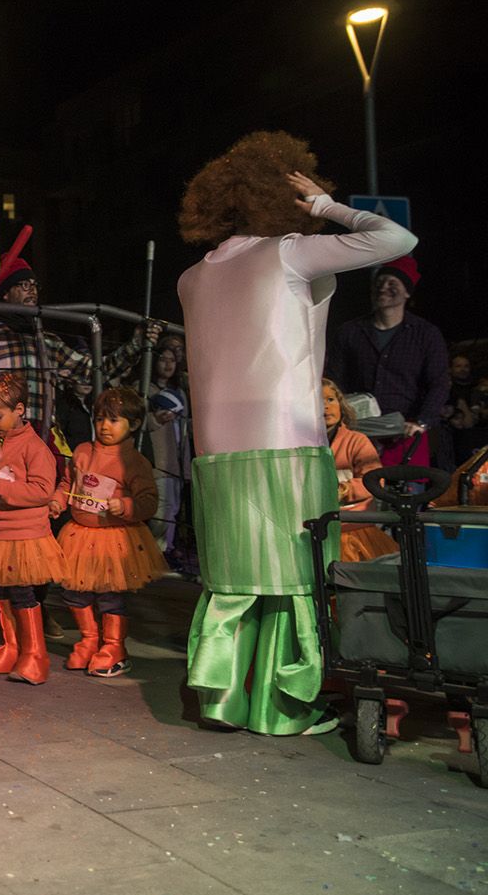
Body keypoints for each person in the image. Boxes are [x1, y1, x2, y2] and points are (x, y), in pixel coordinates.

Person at [178, 131, 416, 735]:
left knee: (234, 576)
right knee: (292, 575)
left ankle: (223, 699)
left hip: (215, 447)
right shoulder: (285, 252)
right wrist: (326, 207)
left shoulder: (190, 278)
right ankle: (283, 706)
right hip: (285, 437)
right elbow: (397, 240)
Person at [0, 229, 160, 446]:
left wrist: (136, 344)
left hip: (40, 443)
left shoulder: (47, 341)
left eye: (35, 285)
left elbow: (93, 371)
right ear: (5, 292)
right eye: (24, 285)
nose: (32, 290)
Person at [49, 387, 167, 677]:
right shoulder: (82, 451)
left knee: (109, 596)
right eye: (100, 418)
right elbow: (68, 483)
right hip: (79, 535)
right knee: (74, 592)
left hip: (112, 539)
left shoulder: (134, 461)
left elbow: (149, 501)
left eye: (114, 420)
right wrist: (58, 499)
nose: (104, 426)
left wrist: (126, 505)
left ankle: (114, 646)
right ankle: (89, 640)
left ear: (134, 424)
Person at [0, 373, 65, 685]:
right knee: (0, 592)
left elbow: (42, 490)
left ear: (19, 410)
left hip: (25, 536)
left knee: (23, 594)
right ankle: (11, 647)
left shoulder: (35, 447)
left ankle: (35, 654)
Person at [325, 255, 451, 470]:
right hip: (359, 433)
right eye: (379, 283)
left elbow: (439, 383)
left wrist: (422, 422)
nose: (384, 287)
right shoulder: (349, 332)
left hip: (405, 435)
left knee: (404, 497)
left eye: (392, 283)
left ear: (407, 292)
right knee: (356, 495)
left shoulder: (426, 334)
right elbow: (333, 380)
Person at [323, 378, 398, 563]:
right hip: (316, 528)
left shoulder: (357, 441)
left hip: (353, 528)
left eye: (330, 399)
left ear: (341, 404)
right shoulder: (301, 444)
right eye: (317, 401)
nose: (325, 406)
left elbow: (374, 480)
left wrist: (344, 490)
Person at [145, 345, 190, 553]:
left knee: (172, 510)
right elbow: (138, 423)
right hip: (159, 463)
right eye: (163, 359)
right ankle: (156, 555)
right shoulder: (145, 388)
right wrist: (155, 419)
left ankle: (167, 551)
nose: (168, 364)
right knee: (160, 511)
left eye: (172, 360)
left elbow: (185, 428)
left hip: (177, 462)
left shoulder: (180, 392)